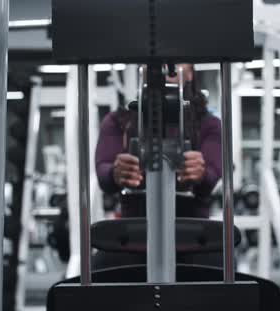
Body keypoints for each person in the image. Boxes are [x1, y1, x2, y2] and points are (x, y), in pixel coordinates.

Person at [95, 64, 222, 219]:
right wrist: (115, 172)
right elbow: (103, 174)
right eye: (156, 61)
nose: (167, 66)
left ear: (190, 73)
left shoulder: (209, 124)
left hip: (190, 230)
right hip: (137, 229)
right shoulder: (119, 121)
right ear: (142, 70)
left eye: (178, 60)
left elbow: (211, 178)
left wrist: (200, 173)